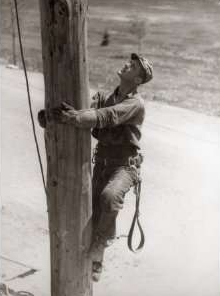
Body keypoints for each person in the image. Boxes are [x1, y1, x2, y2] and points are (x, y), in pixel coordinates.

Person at [37, 53, 153, 282]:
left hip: (124, 166)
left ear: (138, 80)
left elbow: (105, 116)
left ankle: (99, 248)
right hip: (101, 162)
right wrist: (53, 116)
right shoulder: (105, 97)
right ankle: (83, 262)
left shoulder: (135, 104)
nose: (126, 64)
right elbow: (83, 109)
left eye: (133, 66)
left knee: (109, 198)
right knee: (87, 209)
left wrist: (73, 118)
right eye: (129, 62)